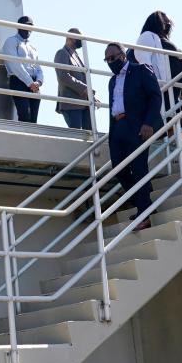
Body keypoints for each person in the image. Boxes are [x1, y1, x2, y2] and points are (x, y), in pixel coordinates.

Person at [105, 44, 163, 231]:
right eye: (108, 60)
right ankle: (144, 203)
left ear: (123, 55)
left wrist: (149, 123)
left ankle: (144, 211)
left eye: (113, 58)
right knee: (119, 170)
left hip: (137, 127)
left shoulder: (140, 70)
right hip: (118, 128)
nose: (111, 62)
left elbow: (155, 96)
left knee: (138, 168)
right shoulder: (112, 82)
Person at [2, 16, 44, 123]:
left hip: (34, 84)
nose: (29, 29)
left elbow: (39, 67)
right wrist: (30, 83)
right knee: (25, 115)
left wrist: (38, 82)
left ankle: (31, 139)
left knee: (33, 120)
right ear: (19, 27)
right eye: (26, 25)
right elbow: (15, 65)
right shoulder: (11, 41)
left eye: (31, 27)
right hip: (19, 81)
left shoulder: (33, 47)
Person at [54, 28, 93, 130]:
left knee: (89, 135)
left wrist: (90, 94)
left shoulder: (76, 55)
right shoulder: (62, 53)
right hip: (71, 104)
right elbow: (63, 76)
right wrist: (85, 89)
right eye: (79, 37)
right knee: (77, 136)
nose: (81, 40)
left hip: (83, 104)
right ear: (70, 37)